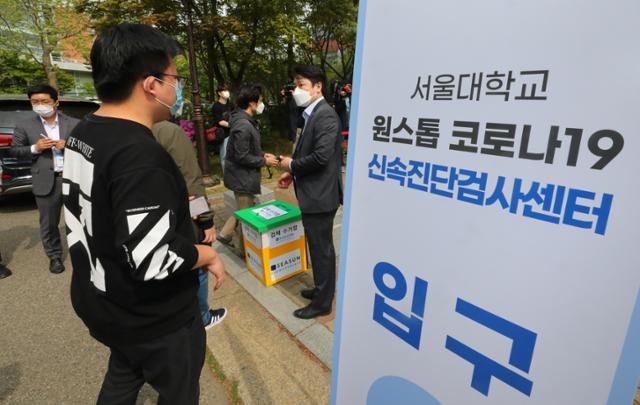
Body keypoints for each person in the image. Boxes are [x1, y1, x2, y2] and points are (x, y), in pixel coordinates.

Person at [62, 23, 225, 404]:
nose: (177, 88)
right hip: (153, 317)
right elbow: (153, 258)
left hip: (103, 300)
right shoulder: (138, 155)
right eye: (174, 78)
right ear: (151, 84)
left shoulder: (83, 133)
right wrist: (208, 253)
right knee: (178, 391)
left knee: (123, 373)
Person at [278, 65, 343, 320]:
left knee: (322, 249)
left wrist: (291, 165)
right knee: (317, 247)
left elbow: (321, 157)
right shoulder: (310, 114)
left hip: (321, 195)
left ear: (318, 87)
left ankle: (323, 303)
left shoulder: (325, 115)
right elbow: (307, 152)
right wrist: (292, 172)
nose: (297, 90)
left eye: (302, 85)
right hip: (313, 192)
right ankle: (320, 290)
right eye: (295, 85)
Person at [152, 120, 227, 330]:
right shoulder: (168, 131)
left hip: (155, 221)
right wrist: (206, 220)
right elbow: (191, 185)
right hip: (180, 218)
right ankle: (202, 316)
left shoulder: (131, 129)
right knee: (197, 266)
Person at [10, 84, 79, 274]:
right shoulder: (25, 125)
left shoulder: (74, 123)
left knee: (81, 219)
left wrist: (70, 145)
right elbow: (14, 151)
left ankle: (84, 253)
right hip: (46, 180)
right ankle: (55, 256)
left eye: (44, 101)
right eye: (35, 102)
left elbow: (88, 148)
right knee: (49, 223)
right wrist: (35, 148)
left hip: (73, 179)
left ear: (56, 102)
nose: (40, 104)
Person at [216, 85, 279, 252]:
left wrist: (263, 155)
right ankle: (245, 251)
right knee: (246, 216)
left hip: (242, 176)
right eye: (260, 101)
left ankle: (224, 234)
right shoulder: (243, 125)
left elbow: (245, 149)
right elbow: (241, 156)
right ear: (252, 103)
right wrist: (263, 162)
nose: (261, 105)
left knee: (243, 209)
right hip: (242, 177)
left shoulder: (242, 120)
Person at [211, 84, 232, 172]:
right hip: (224, 134)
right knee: (225, 156)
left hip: (233, 133)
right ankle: (227, 175)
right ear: (219, 93)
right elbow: (220, 121)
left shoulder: (231, 105)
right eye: (224, 90)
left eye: (227, 90)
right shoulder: (216, 106)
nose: (227, 92)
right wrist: (233, 125)